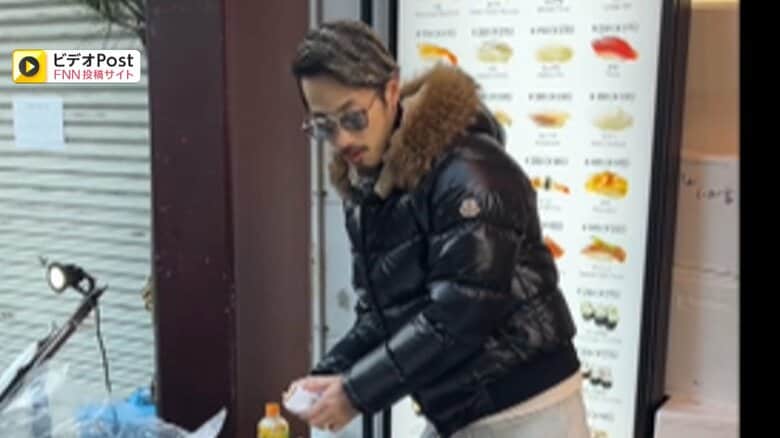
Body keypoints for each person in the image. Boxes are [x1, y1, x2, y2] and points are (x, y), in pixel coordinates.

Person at [286, 20, 590, 438]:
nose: (341, 141)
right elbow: (383, 315)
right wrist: (331, 374)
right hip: (460, 408)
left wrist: (356, 393)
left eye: (353, 117)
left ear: (391, 91)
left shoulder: (470, 173)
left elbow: (462, 313)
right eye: (323, 126)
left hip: (526, 407)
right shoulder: (370, 186)